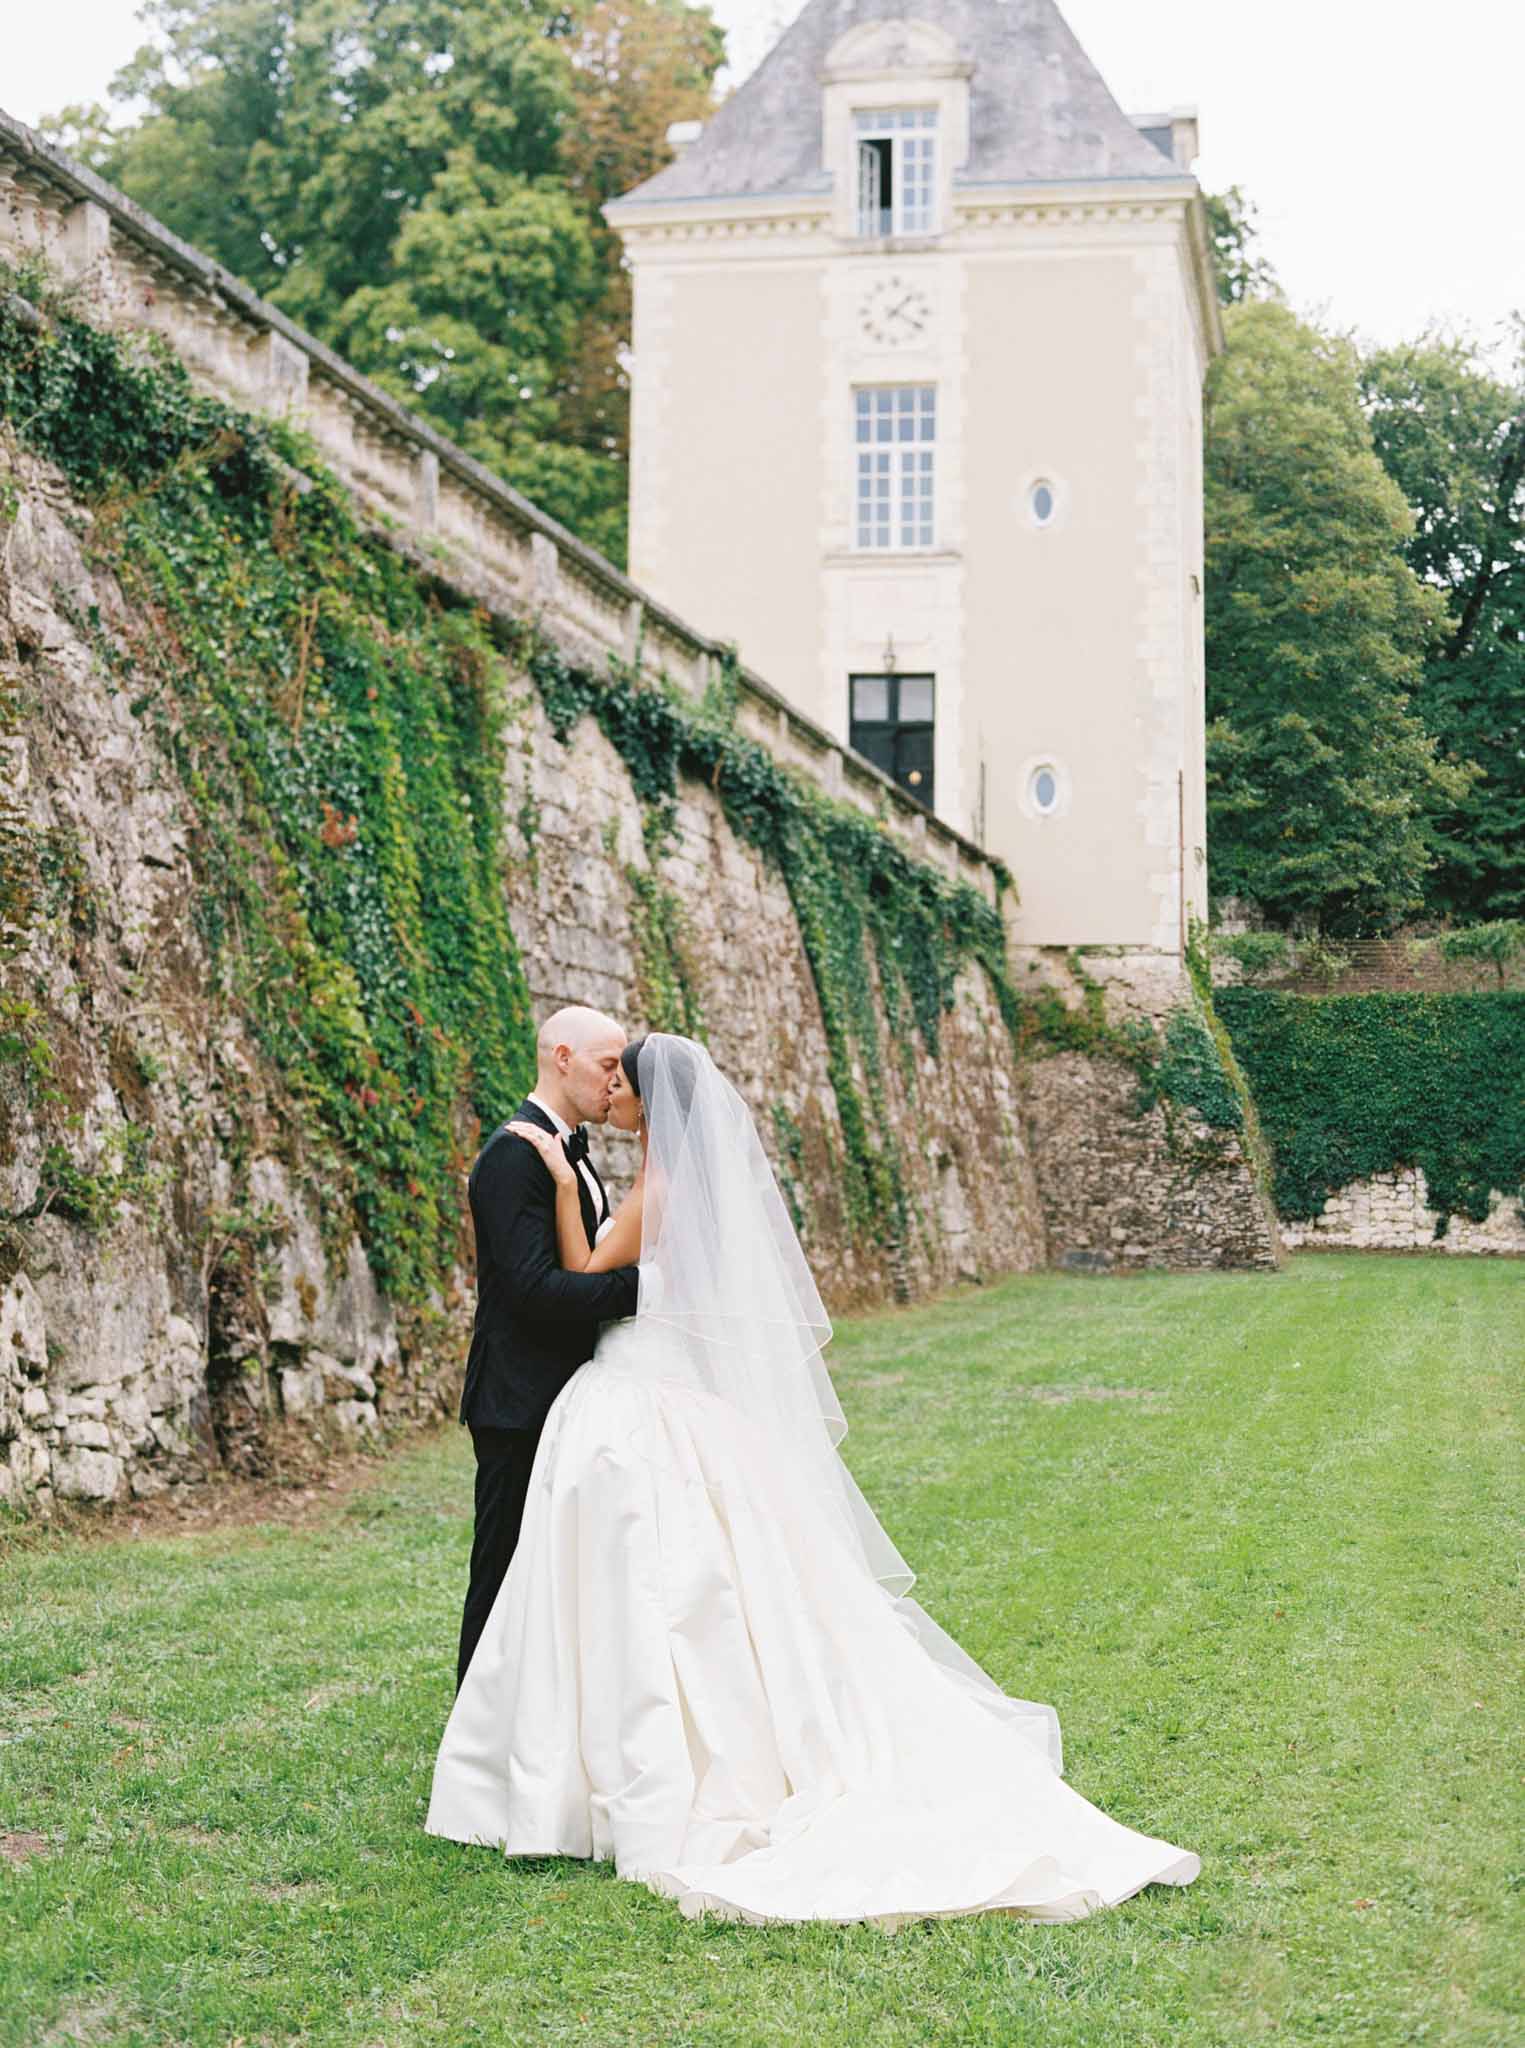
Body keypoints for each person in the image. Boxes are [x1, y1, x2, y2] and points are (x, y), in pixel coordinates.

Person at [429, 1032, 1200, 1926]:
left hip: (640, 1397)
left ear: (648, 1100)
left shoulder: (655, 1186)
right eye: (604, 1073)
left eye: (621, 1080)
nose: (613, 1091)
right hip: (650, 1393)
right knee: (683, 1582)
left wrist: (566, 1192)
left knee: (655, 1583)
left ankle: (612, 1759)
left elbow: (587, 1273)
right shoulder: (678, 1183)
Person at [452, 1006, 639, 1693]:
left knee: (553, 1578)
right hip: (517, 1402)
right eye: (605, 1064)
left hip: (566, 1397)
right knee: (501, 1573)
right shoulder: (511, 1156)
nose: (615, 1080)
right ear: (562, 1058)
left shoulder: (569, 1155)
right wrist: (646, 1288)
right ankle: (475, 1737)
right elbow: (533, 1291)